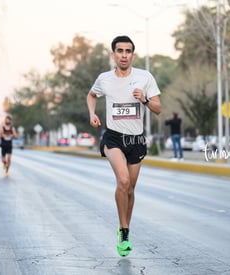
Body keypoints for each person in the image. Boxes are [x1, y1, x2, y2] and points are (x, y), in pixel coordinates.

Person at [87, 35, 161, 257]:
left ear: (133, 55)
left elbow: (158, 108)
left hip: (136, 140)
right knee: (123, 180)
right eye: (120, 51)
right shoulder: (104, 79)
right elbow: (91, 95)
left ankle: (124, 225)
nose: (124, 55)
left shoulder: (145, 77)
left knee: (130, 189)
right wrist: (92, 113)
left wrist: (145, 100)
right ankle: (124, 230)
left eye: (128, 51)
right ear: (113, 55)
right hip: (114, 138)